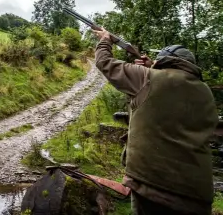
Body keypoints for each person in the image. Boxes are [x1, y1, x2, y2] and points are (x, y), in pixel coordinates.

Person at [92, 28, 218, 215]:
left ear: (162, 60)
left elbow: (105, 63)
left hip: (154, 185)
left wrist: (105, 40)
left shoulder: (147, 77)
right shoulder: (205, 91)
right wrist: (154, 67)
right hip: (197, 191)